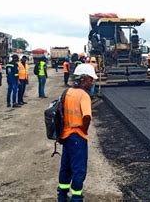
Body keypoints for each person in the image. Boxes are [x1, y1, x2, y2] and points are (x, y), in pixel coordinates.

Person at [57, 64, 98, 202]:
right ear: (83, 79)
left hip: (66, 136)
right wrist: (84, 130)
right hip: (77, 136)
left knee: (66, 167)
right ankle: (76, 198)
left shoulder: (68, 92)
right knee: (79, 170)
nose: (92, 82)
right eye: (90, 79)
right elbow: (86, 117)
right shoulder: (84, 96)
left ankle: (62, 196)